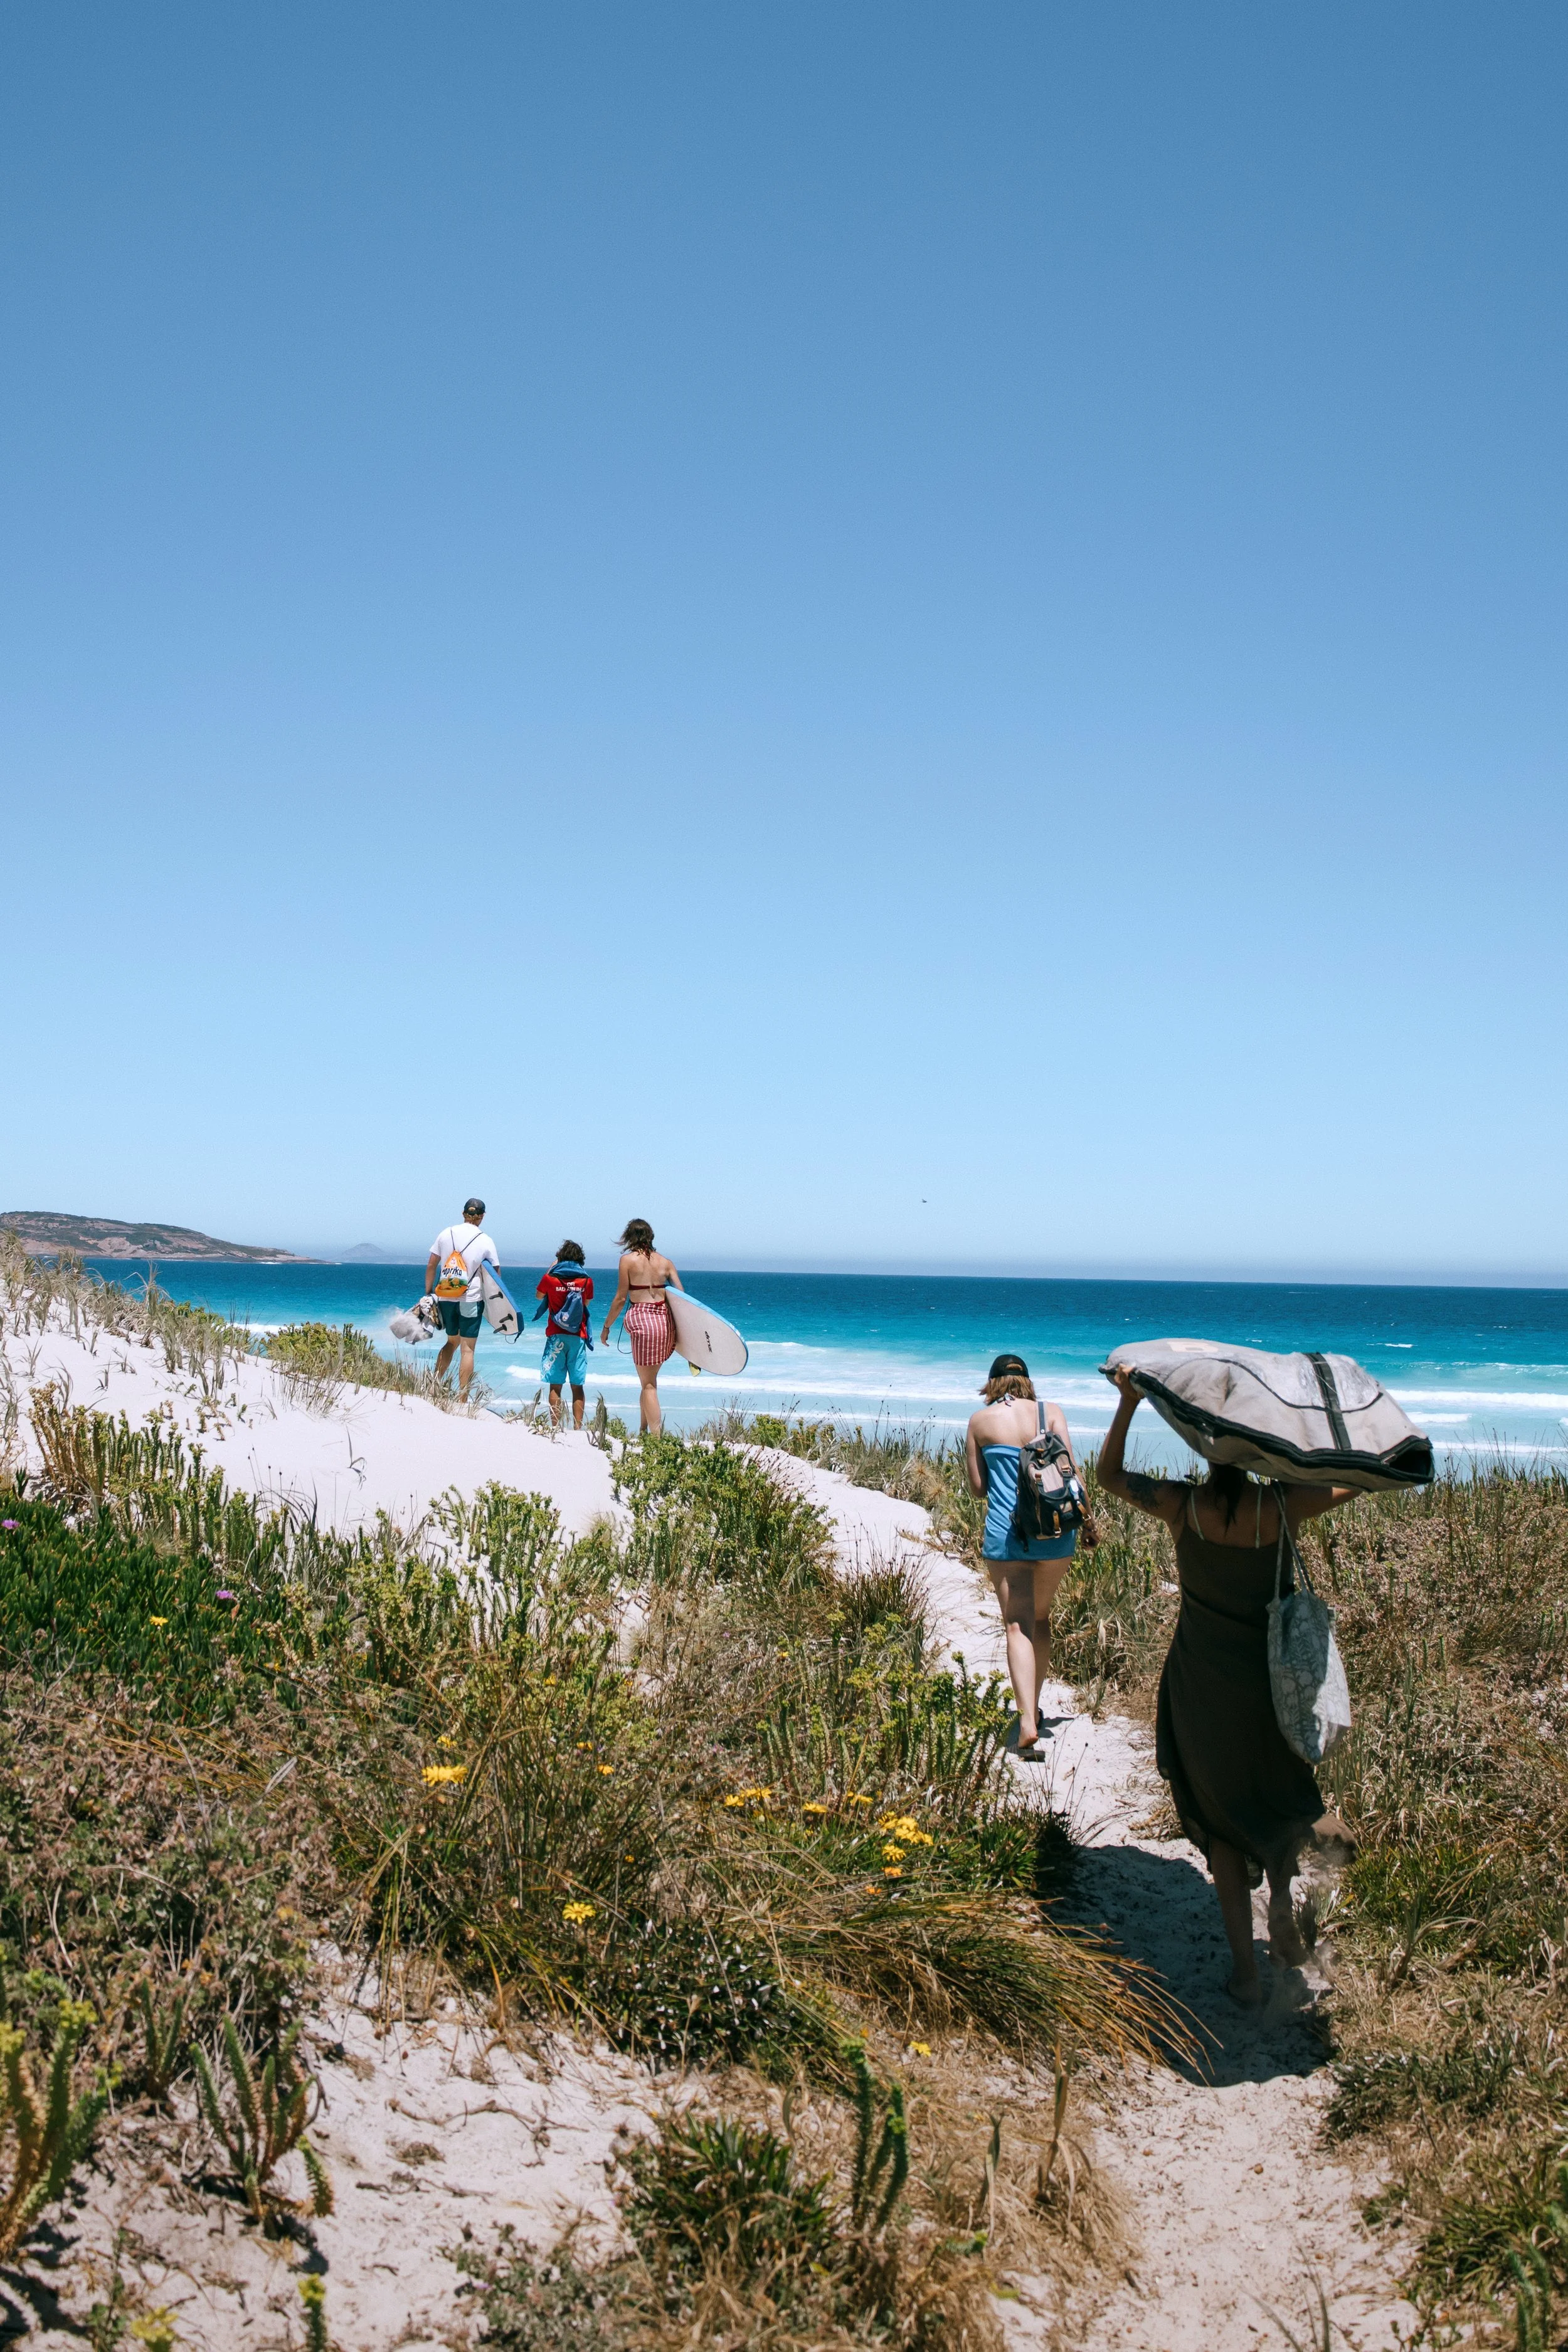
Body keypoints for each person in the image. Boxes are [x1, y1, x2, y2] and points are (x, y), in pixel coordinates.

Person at [1098, 1364, 1357, 2006]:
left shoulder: (1180, 1508)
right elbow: (1354, 1477)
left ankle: (1244, 1971)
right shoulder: (1281, 1508)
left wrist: (1129, 1404)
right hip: (1269, 1687)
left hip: (1200, 1684)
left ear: (1203, 1452)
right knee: (1271, 1798)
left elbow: (1105, 1477)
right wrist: (1309, 1434)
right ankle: (1283, 1919)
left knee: (1220, 1824)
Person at [965, 1353, 1084, 1761]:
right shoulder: (1051, 1414)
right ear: (1027, 1381)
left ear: (993, 1382)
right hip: (1054, 1534)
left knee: (1017, 1626)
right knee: (1041, 1618)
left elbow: (978, 1488)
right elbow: (1071, 1473)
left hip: (1007, 1536)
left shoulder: (980, 1422)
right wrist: (1089, 1522)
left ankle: (1028, 1725)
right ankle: (1033, 1707)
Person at [600, 1219, 684, 1434]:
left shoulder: (627, 1261)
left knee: (649, 1386)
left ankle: (657, 1442)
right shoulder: (666, 1262)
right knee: (648, 1381)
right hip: (665, 1324)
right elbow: (682, 1297)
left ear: (630, 1237)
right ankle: (643, 1430)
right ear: (651, 1236)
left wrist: (607, 1326)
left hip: (642, 1323)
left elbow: (620, 1299)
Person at [423, 1197, 499, 1402]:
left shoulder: (445, 1233)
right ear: (482, 1217)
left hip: (446, 1297)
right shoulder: (485, 1240)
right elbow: (496, 1276)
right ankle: (462, 1400)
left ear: (463, 1213)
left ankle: (431, 1388)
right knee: (467, 1349)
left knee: (451, 1342)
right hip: (471, 1299)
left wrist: (430, 1292)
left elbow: (432, 1265)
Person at [535, 1241, 595, 1429]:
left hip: (556, 1336)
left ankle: (555, 1427)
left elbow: (538, 1296)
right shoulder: (586, 1281)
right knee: (577, 1386)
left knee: (556, 1385)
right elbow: (586, 1304)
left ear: (560, 1258)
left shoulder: (550, 1279)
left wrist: (551, 1269)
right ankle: (577, 1429)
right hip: (578, 1337)